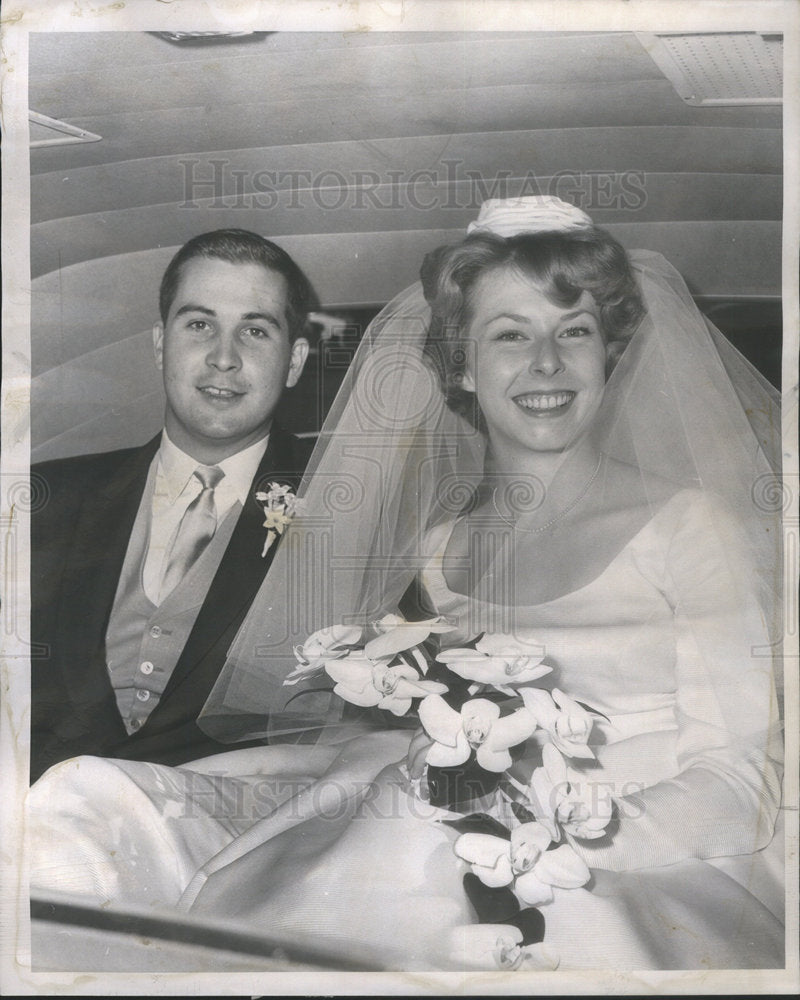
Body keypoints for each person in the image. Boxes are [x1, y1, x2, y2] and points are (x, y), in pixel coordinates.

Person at [28, 199, 785, 972]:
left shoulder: (692, 526)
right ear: (460, 363)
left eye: (575, 332)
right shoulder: (440, 549)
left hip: (637, 852)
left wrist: (547, 840)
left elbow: (740, 779)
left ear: (609, 353)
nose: (547, 364)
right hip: (440, 832)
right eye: (510, 336)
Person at [29, 229, 315, 781]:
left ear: (295, 360)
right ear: (161, 343)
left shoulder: (348, 508)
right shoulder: (42, 501)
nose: (224, 358)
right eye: (200, 324)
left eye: (255, 331)